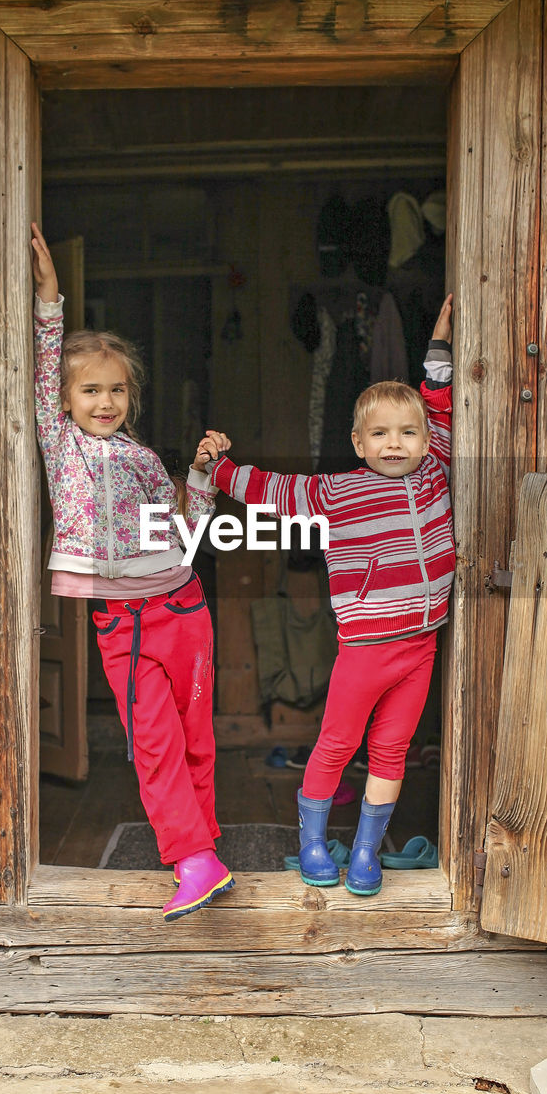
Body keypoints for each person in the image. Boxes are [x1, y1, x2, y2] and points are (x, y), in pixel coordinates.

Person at [194, 294, 455, 896]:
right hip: (365, 649)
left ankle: (365, 853)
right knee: (337, 744)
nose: (397, 443)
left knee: (391, 751)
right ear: (359, 444)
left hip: (420, 648)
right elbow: (276, 491)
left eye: (408, 432)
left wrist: (438, 344)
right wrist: (219, 467)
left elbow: (439, 401)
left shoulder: (435, 468)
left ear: (424, 440)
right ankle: (312, 842)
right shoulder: (339, 492)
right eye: (382, 434)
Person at [30, 222, 234, 921]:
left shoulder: (144, 460)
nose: (105, 402)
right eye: (90, 391)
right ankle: (192, 858)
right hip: (126, 624)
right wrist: (49, 300)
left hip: (183, 607)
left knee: (195, 739)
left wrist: (201, 476)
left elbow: (184, 531)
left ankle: (203, 855)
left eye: (116, 390)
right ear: (63, 400)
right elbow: (44, 360)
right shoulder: (61, 446)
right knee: (153, 744)